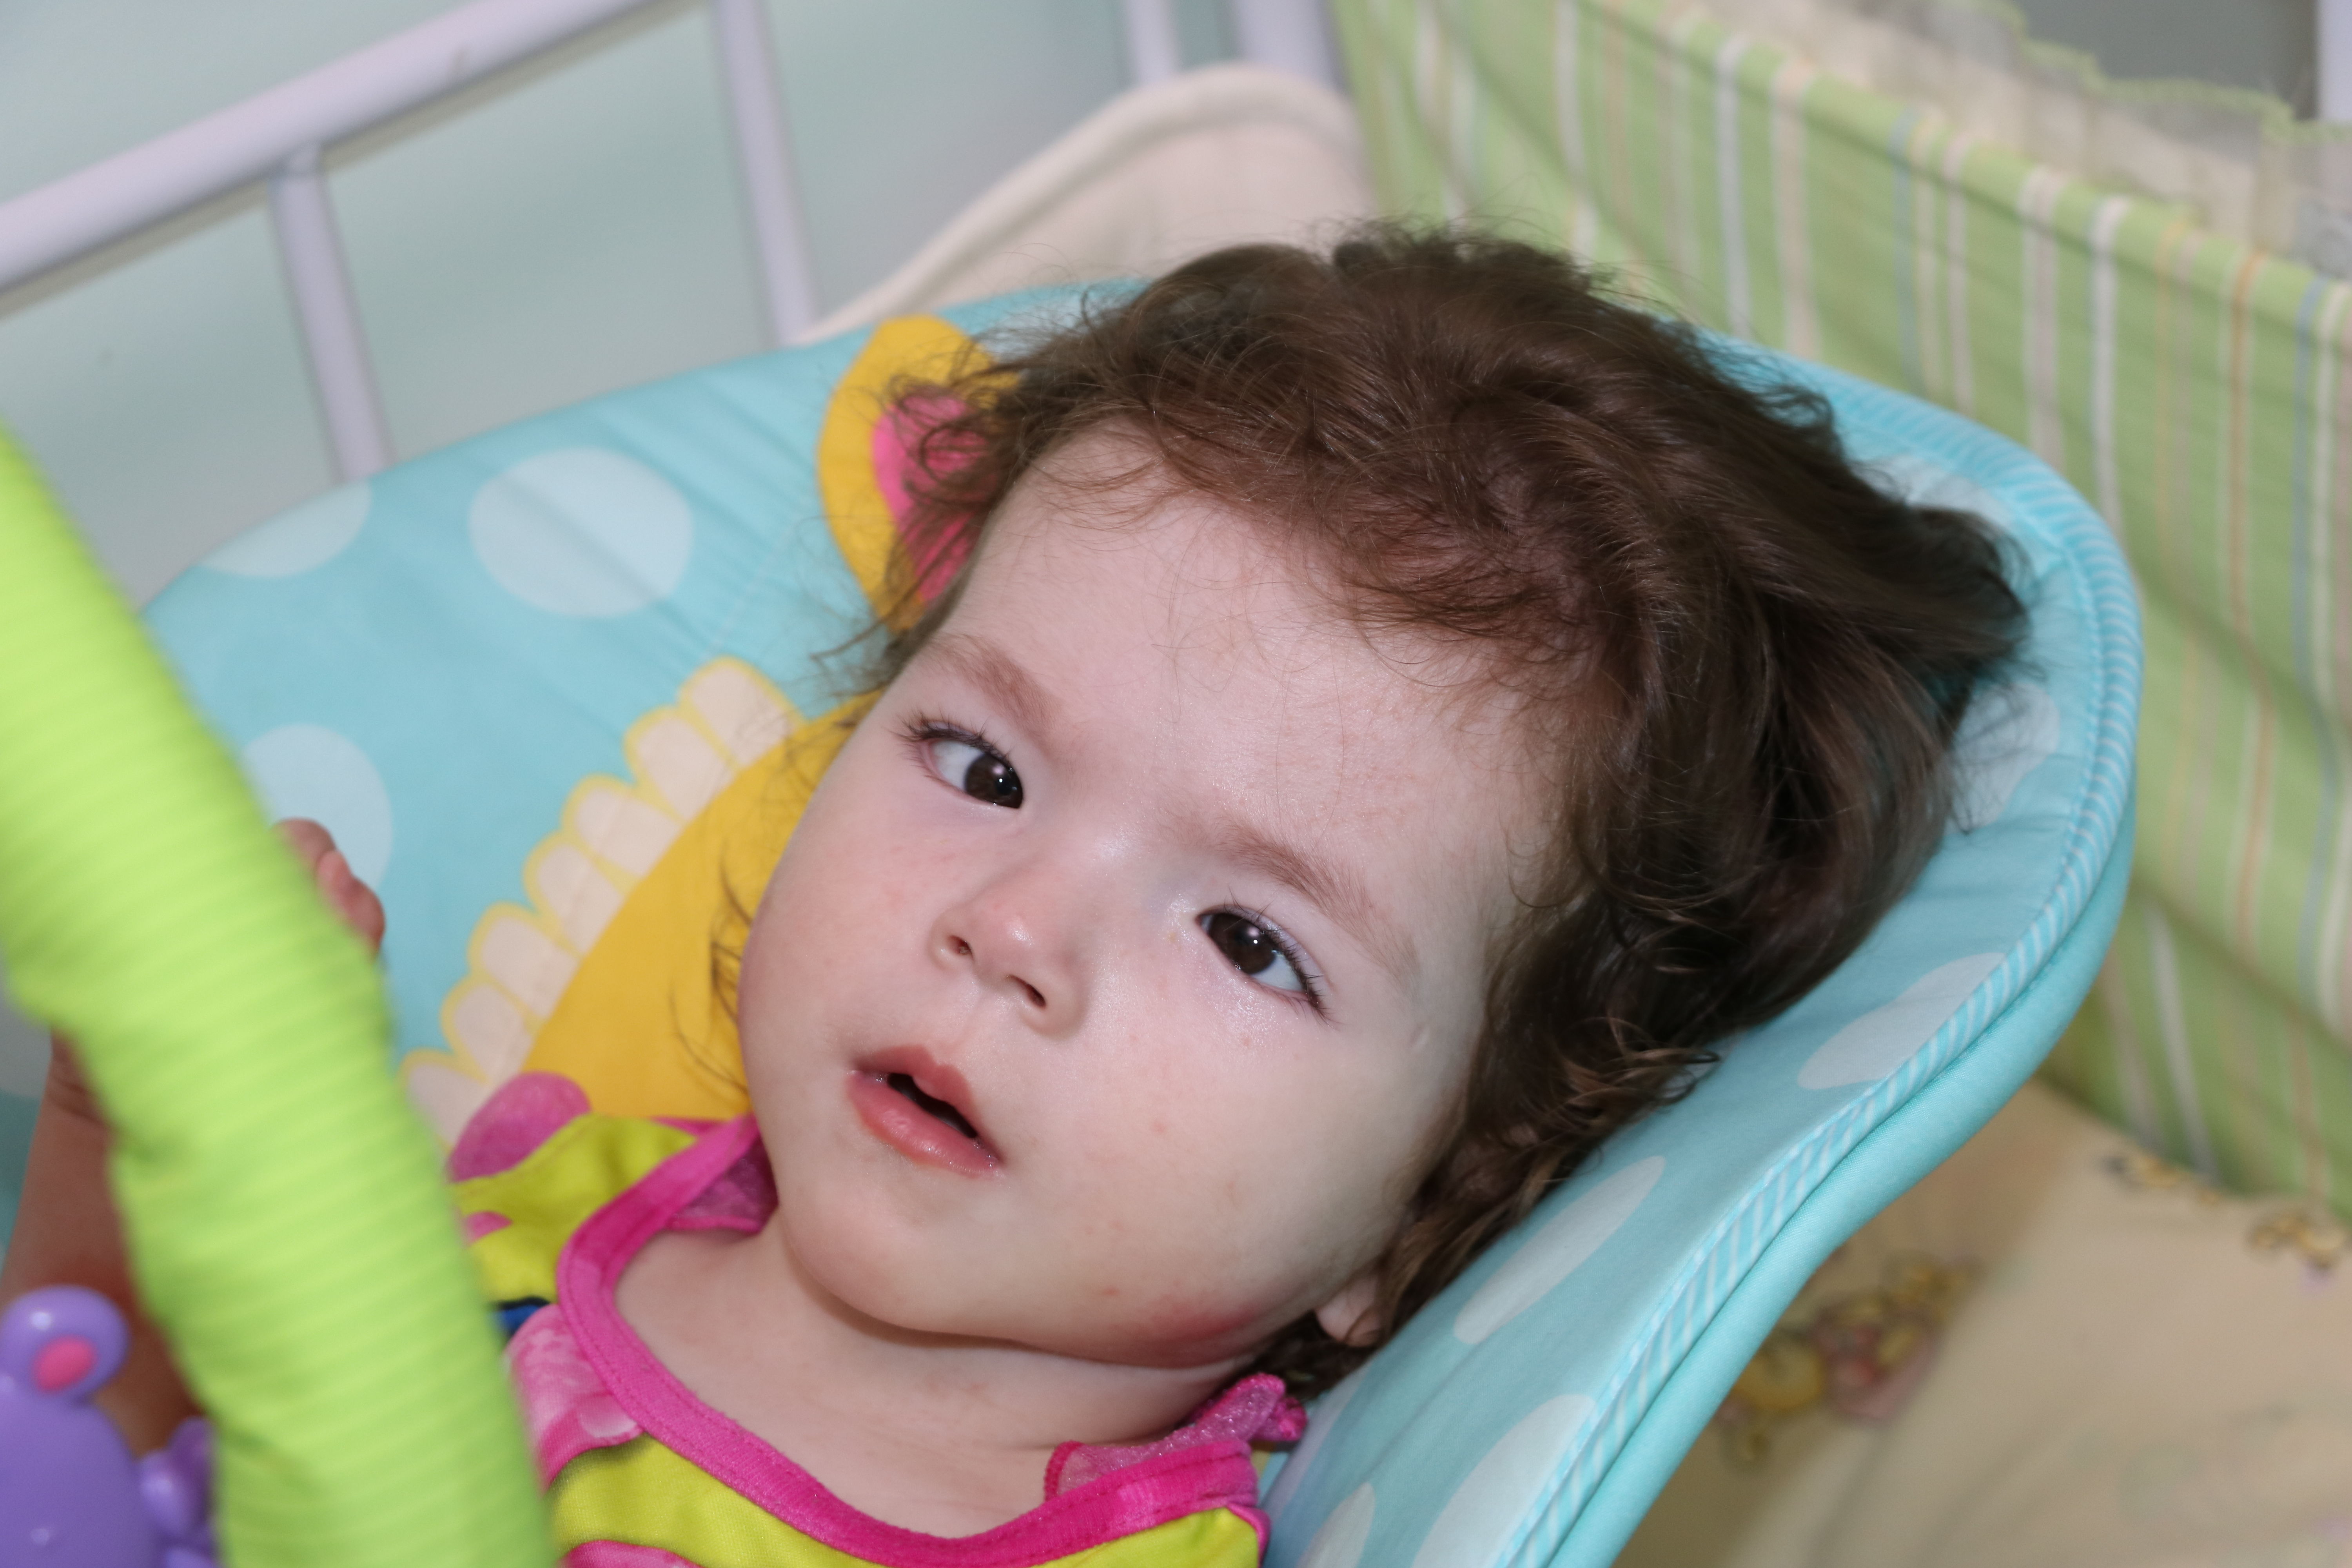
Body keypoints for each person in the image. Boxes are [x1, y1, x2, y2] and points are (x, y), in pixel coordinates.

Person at [0, 227, 2025, 1563]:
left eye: (1251, 939)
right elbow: (89, 1453)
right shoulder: (541, 1182)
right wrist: (130, 1128)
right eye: (982, 768)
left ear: (1425, 1217)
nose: (1016, 930)